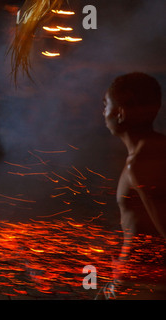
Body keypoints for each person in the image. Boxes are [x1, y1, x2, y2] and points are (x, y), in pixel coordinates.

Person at [99, 72, 166, 299]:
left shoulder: (144, 159)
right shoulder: (148, 151)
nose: (103, 112)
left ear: (120, 112)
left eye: (106, 104)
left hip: (142, 287)